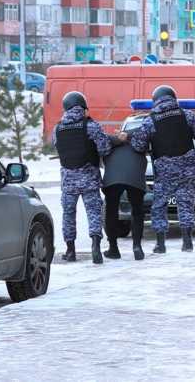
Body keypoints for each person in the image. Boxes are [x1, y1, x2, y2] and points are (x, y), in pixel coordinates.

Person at [128, 86, 195, 253]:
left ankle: (161, 244)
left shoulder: (150, 121)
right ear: (174, 99)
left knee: (159, 206)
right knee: (185, 204)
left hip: (164, 171)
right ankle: (187, 242)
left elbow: (138, 145)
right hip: (187, 169)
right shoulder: (187, 116)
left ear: (155, 100)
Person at [53, 91, 116, 264]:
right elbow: (105, 149)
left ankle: (70, 250)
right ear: (82, 107)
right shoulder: (91, 126)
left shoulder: (57, 128)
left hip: (68, 181)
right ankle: (95, 246)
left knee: (68, 214)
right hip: (89, 178)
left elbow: (57, 147)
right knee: (94, 213)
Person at [102, 138, 148, 261]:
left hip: (113, 179)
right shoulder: (139, 140)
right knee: (137, 211)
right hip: (135, 178)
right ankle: (137, 247)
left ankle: (113, 248)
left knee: (111, 212)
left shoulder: (109, 142)